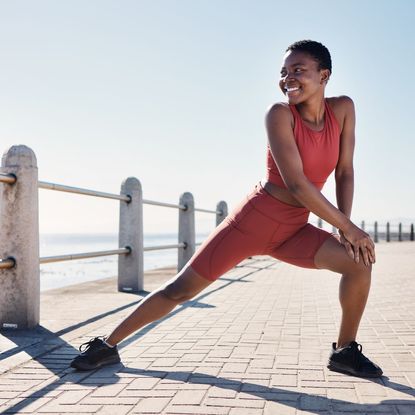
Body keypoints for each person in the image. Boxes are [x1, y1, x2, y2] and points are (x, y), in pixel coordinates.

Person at [70, 40, 382, 378]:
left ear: (324, 75)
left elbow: (345, 171)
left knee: (358, 263)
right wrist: (348, 228)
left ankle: (345, 351)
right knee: (180, 289)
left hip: (294, 229)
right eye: (283, 72)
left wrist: (343, 227)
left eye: (298, 71)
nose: (288, 78)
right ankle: (108, 344)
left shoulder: (344, 109)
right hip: (254, 222)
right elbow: (296, 184)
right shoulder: (279, 114)